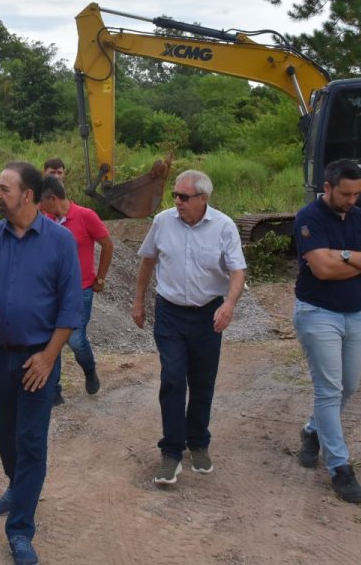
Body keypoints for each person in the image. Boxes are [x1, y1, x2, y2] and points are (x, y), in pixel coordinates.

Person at [0, 161, 82, 565]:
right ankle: (19, 485)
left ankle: (20, 530)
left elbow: (71, 307)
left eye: (3, 189)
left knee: (31, 441)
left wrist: (49, 358)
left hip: (39, 359)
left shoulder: (60, 242)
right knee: (5, 430)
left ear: (27, 195)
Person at [132, 169, 246, 486]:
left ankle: (198, 443)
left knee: (202, 382)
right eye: (175, 196)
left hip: (208, 314)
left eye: (184, 197)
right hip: (169, 313)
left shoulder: (224, 227)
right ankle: (171, 452)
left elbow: (238, 271)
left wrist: (229, 305)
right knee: (171, 377)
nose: (178, 202)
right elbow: (147, 261)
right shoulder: (163, 222)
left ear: (203, 199)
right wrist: (139, 301)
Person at [292, 158, 361, 504]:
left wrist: (343, 257)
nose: (352, 200)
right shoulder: (309, 218)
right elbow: (321, 270)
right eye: (346, 194)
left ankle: (311, 431)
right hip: (317, 314)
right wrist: (359, 259)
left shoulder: (360, 216)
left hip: (355, 314)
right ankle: (340, 468)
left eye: (357, 193)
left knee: (349, 386)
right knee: (329, 390)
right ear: (328, 188)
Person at [39, 175, 114, 404]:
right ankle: (54, 390)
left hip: (80, 289)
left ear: (52, 198)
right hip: (52, 291)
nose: (39, 207)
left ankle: (89, 369)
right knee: (52, 338)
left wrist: (100, 277)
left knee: (75, 339)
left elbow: (107, 244)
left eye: (41, 202)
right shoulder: (45, 219)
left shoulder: (85, 216)